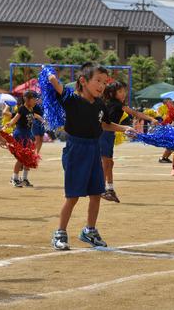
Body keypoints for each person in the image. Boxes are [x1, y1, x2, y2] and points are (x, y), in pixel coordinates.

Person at [47, 62, 135, 251]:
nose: (101, 85)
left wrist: (124, 128)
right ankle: (60, 233)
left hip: (94, 149)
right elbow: (57, 85)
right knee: (73, 196)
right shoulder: (72, 100)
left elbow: (104, 124)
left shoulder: (100, 104)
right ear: (83, 81)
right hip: (76, 150)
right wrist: (50, 75)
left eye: (104, 82)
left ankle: (90, 231)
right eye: (97, 81)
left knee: (96, 193)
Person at [100, 81, 157, 203]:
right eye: (120, 91)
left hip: (109, 134)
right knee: (106, 163)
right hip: (103, 134)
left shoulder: (115, 104)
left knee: (109, 163)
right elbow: (135, 113)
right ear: (112, 93)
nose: (123, 93)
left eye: (123, 91)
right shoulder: (115, 104)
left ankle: (109, 189)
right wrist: (151, 118)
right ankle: (101, 188)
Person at [6, 91, 43, 187]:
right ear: (27, 99)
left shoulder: (31, 108)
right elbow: (15, 119)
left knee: (29, 157)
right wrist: (10, 124)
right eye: (34, 99)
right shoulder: (22, 108)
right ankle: (14, 179)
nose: (36, 101)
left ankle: (25, 179)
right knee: (21, 157)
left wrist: (42, 120)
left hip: (27, 134)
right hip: (20, 135)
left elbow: (34, 115)